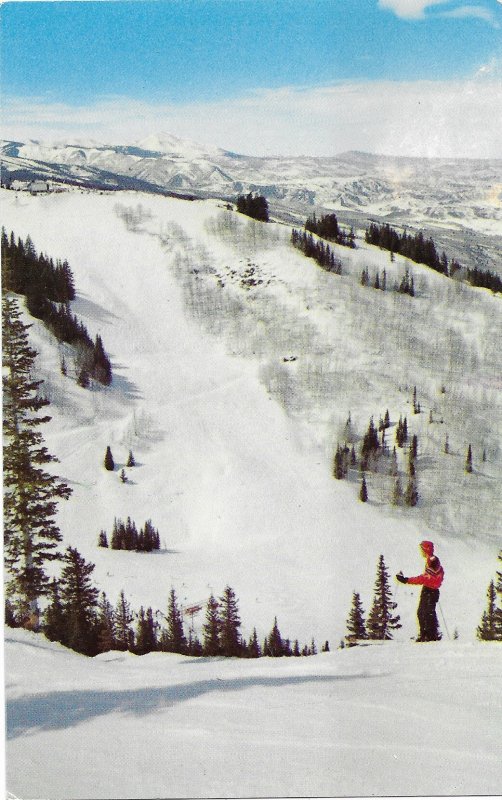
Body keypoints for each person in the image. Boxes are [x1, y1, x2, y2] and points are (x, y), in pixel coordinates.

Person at [396, 540, 444, 641]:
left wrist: (406, 580)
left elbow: (425, 578)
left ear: (426, 549)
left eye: (422, 549)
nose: (421, 551)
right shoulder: (432, 559)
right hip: (432, 590)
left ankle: (428, 636)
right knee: (426, 612)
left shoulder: (432, 560)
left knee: (424, 613)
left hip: (429, 590)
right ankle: (428, 635)